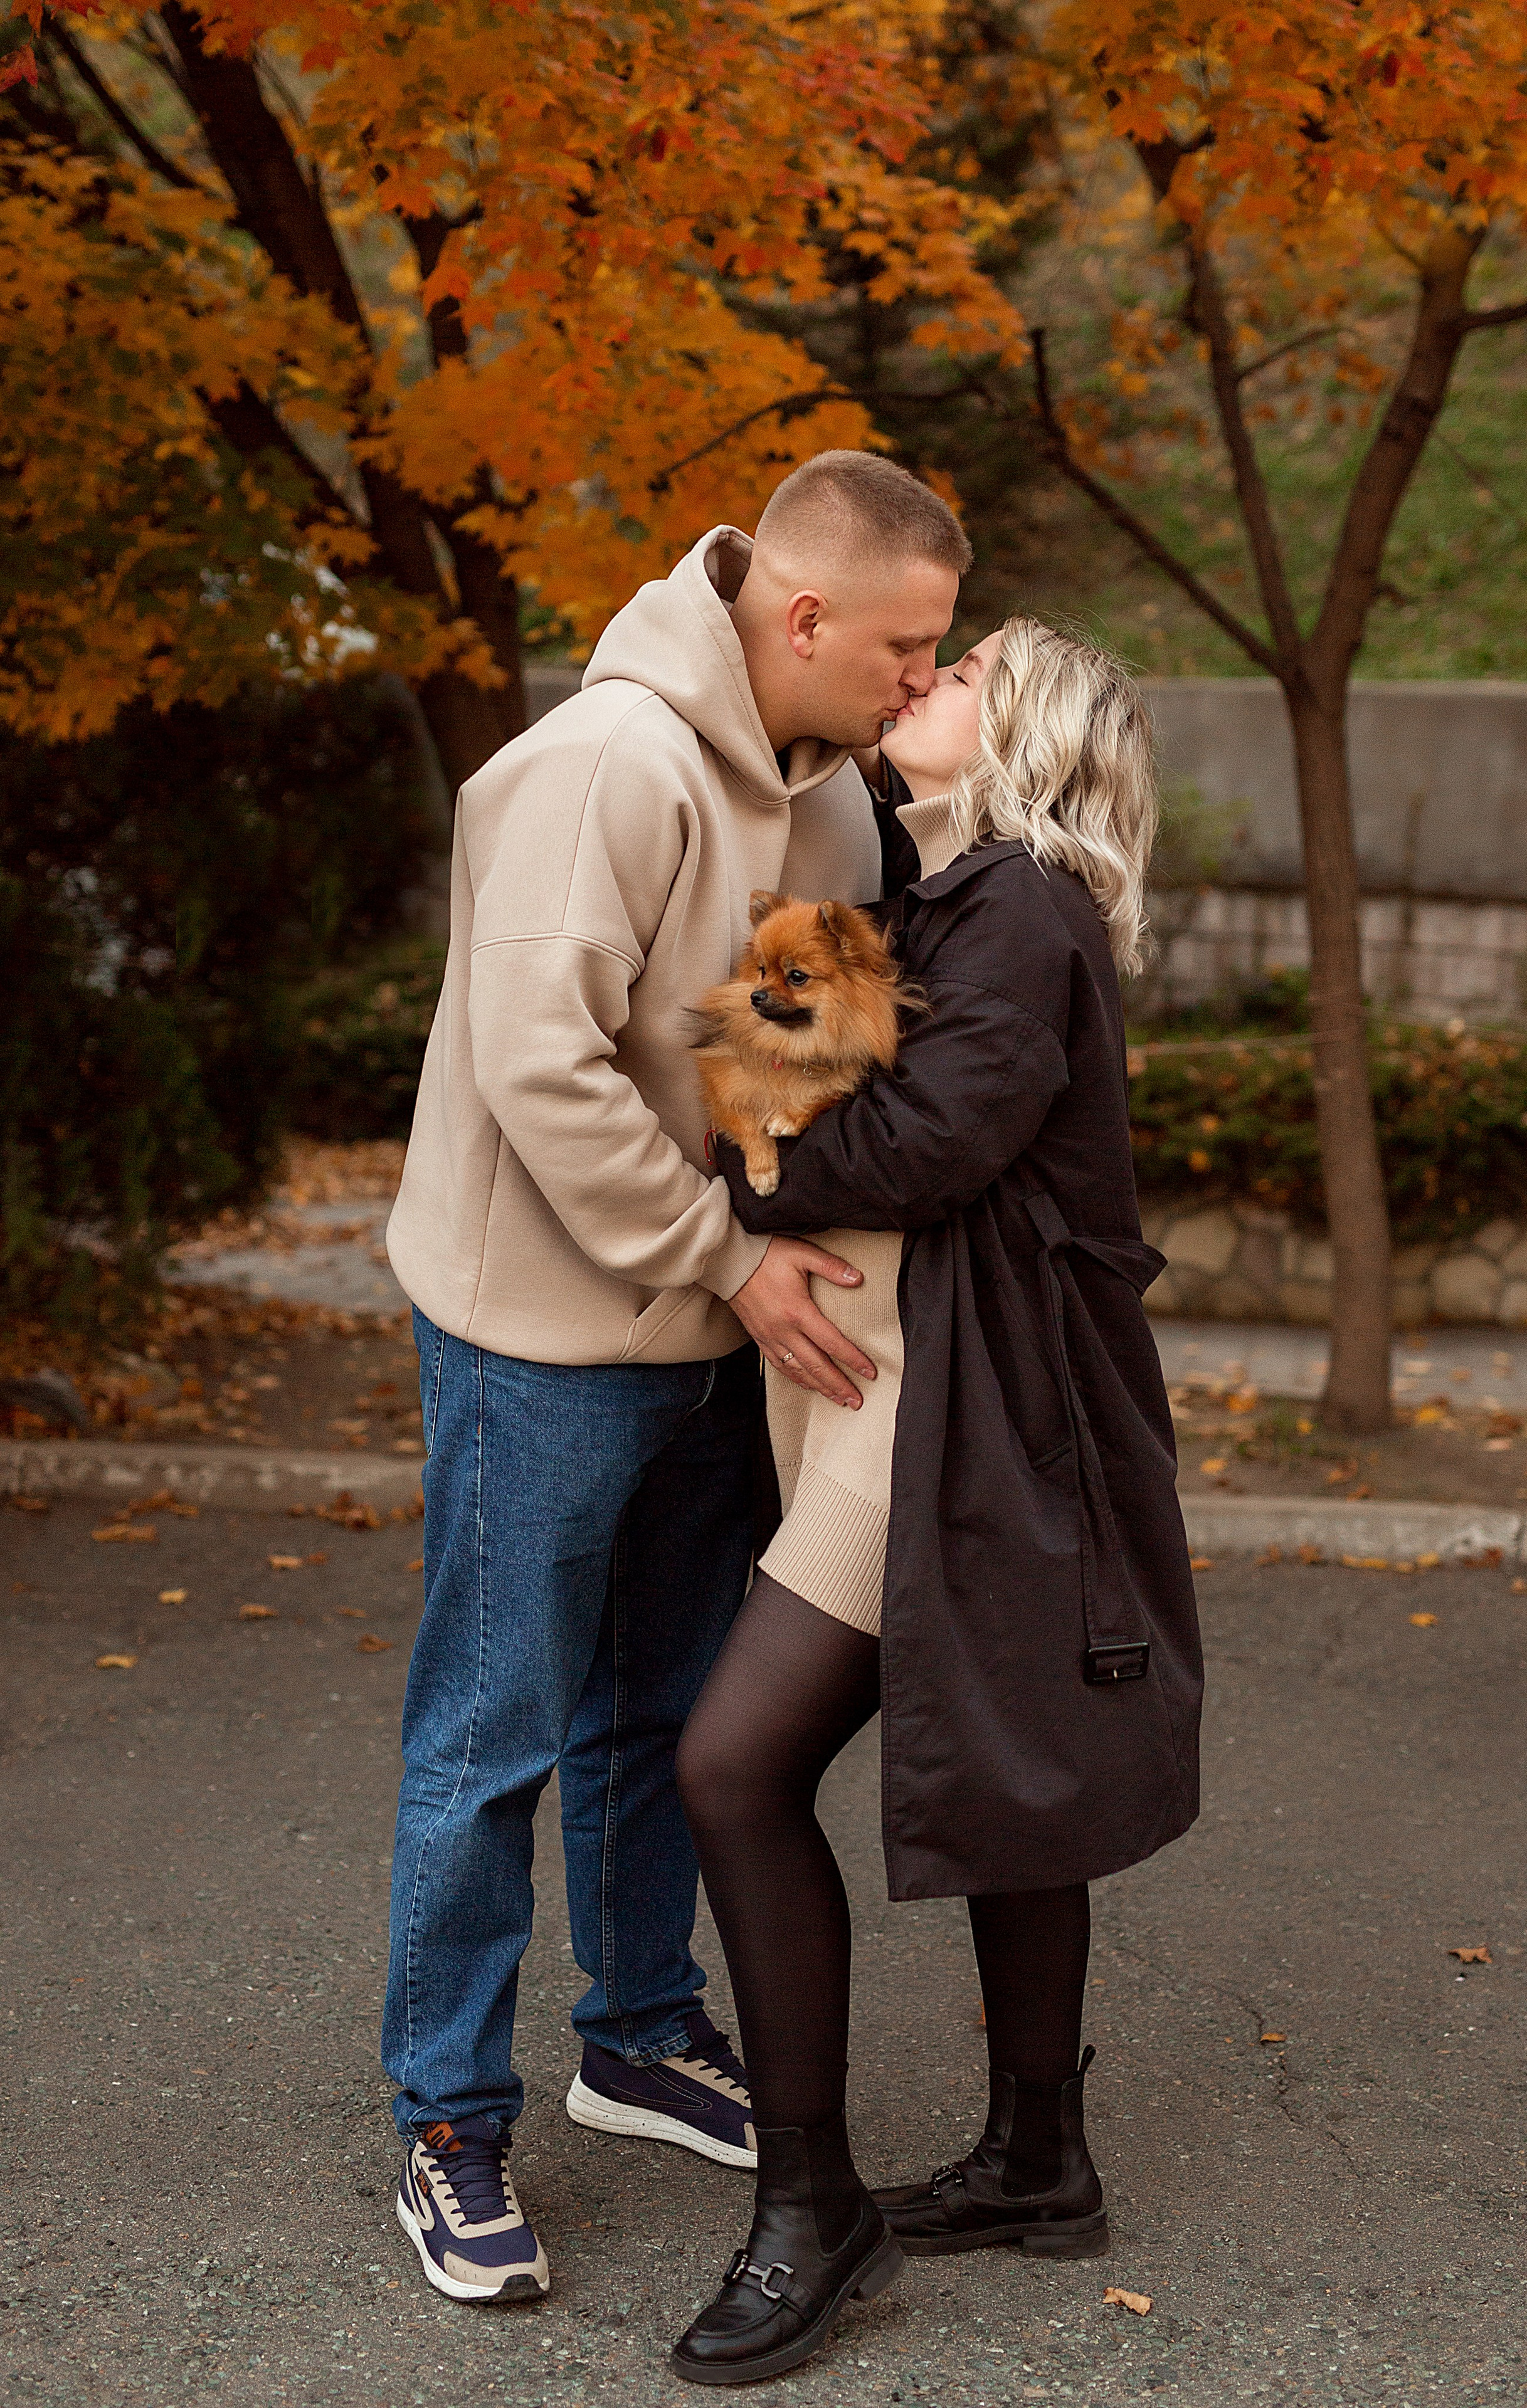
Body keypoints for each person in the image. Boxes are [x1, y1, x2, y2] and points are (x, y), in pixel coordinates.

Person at [380, 453, 973, 2303]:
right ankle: (449, 2121)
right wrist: (724, 1250)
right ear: (804, 618)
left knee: (667, 1705)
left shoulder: (844, 811)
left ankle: (638, 2028)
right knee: (497, 1734)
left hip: (719, 1340)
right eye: (907, 647)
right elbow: (533, 1064)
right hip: (540, 1339)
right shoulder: (602, 769)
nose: (919, 683)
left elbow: (815, 1070)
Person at [670, 619, 1205, 2384]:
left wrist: (750, 1166)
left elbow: (921, 1144)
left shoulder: (1026, 908)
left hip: (954, 1405)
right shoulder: (933, 907)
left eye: (958, 670)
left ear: (1028, 728)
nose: (916, 685)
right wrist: (774, 1072)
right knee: (1013, 1751)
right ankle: (1041, 2158)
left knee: (733, 1763)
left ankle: (810, 2209)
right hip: (898, 1386)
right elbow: (779, 1061)